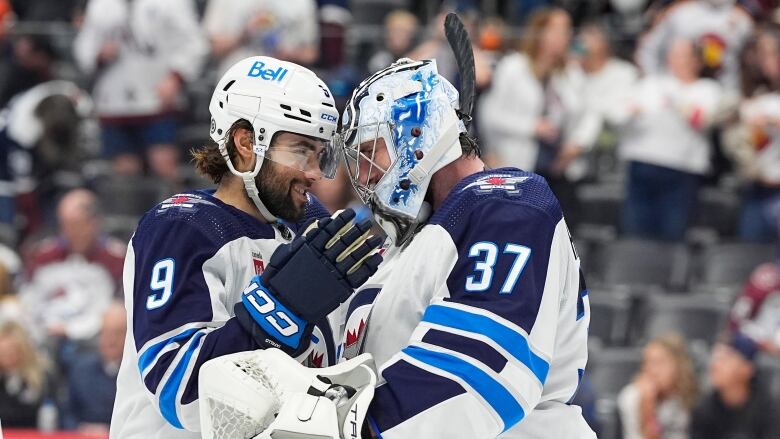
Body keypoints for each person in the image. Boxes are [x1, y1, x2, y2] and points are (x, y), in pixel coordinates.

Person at [109, 56, 382, 438]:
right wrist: (278, 312)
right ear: (246, 143)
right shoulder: (181, 226)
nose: (315, 173)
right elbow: (181, 392)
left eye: (320, 154)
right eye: (301, 150)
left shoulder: (311, 224)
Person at [330, 55, 593, 437]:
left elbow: (474, 374)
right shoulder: (406, 245)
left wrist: (349, 429)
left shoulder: (506, 204)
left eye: (373, 151)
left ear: (418, 135)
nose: (366, 174)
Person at [73, 0, 208, 182]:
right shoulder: (101, 5)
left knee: (163, 164)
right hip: (114, 101)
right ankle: (135, 209)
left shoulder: (172, 3)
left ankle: (177, 210)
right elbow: (83, 48)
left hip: (156, 97)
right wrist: (99, 54)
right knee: (125, 170)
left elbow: (195, 43)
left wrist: (176, 77)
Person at [618, 38, 723, 241]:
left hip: (681, 170)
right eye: (673, 55)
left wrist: (674, 101)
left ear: (697, 61)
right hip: (642, 164)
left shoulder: (708, 90)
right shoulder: (650, 84)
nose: (675, 60)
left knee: (672, 236)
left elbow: (700, 120)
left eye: (682, 56)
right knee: (634, 233)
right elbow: (624, 112)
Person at [691, 333, 780, 439]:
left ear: (747, 368)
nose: (715, 365)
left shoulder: (770, 410)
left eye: (725, 359)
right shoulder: (703, 409)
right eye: (714, 357)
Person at [617, 333, 698, 439]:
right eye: (647, 362)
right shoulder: (632, 396)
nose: (652, 370)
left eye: (660, 362)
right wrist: (647, 409)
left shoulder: (694, 397)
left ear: (679, 365)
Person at [0, 320, 50, 428]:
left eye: (12, 350)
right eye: (3, 351)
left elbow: (39, 411)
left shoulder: (39, 375)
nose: (7, 356)